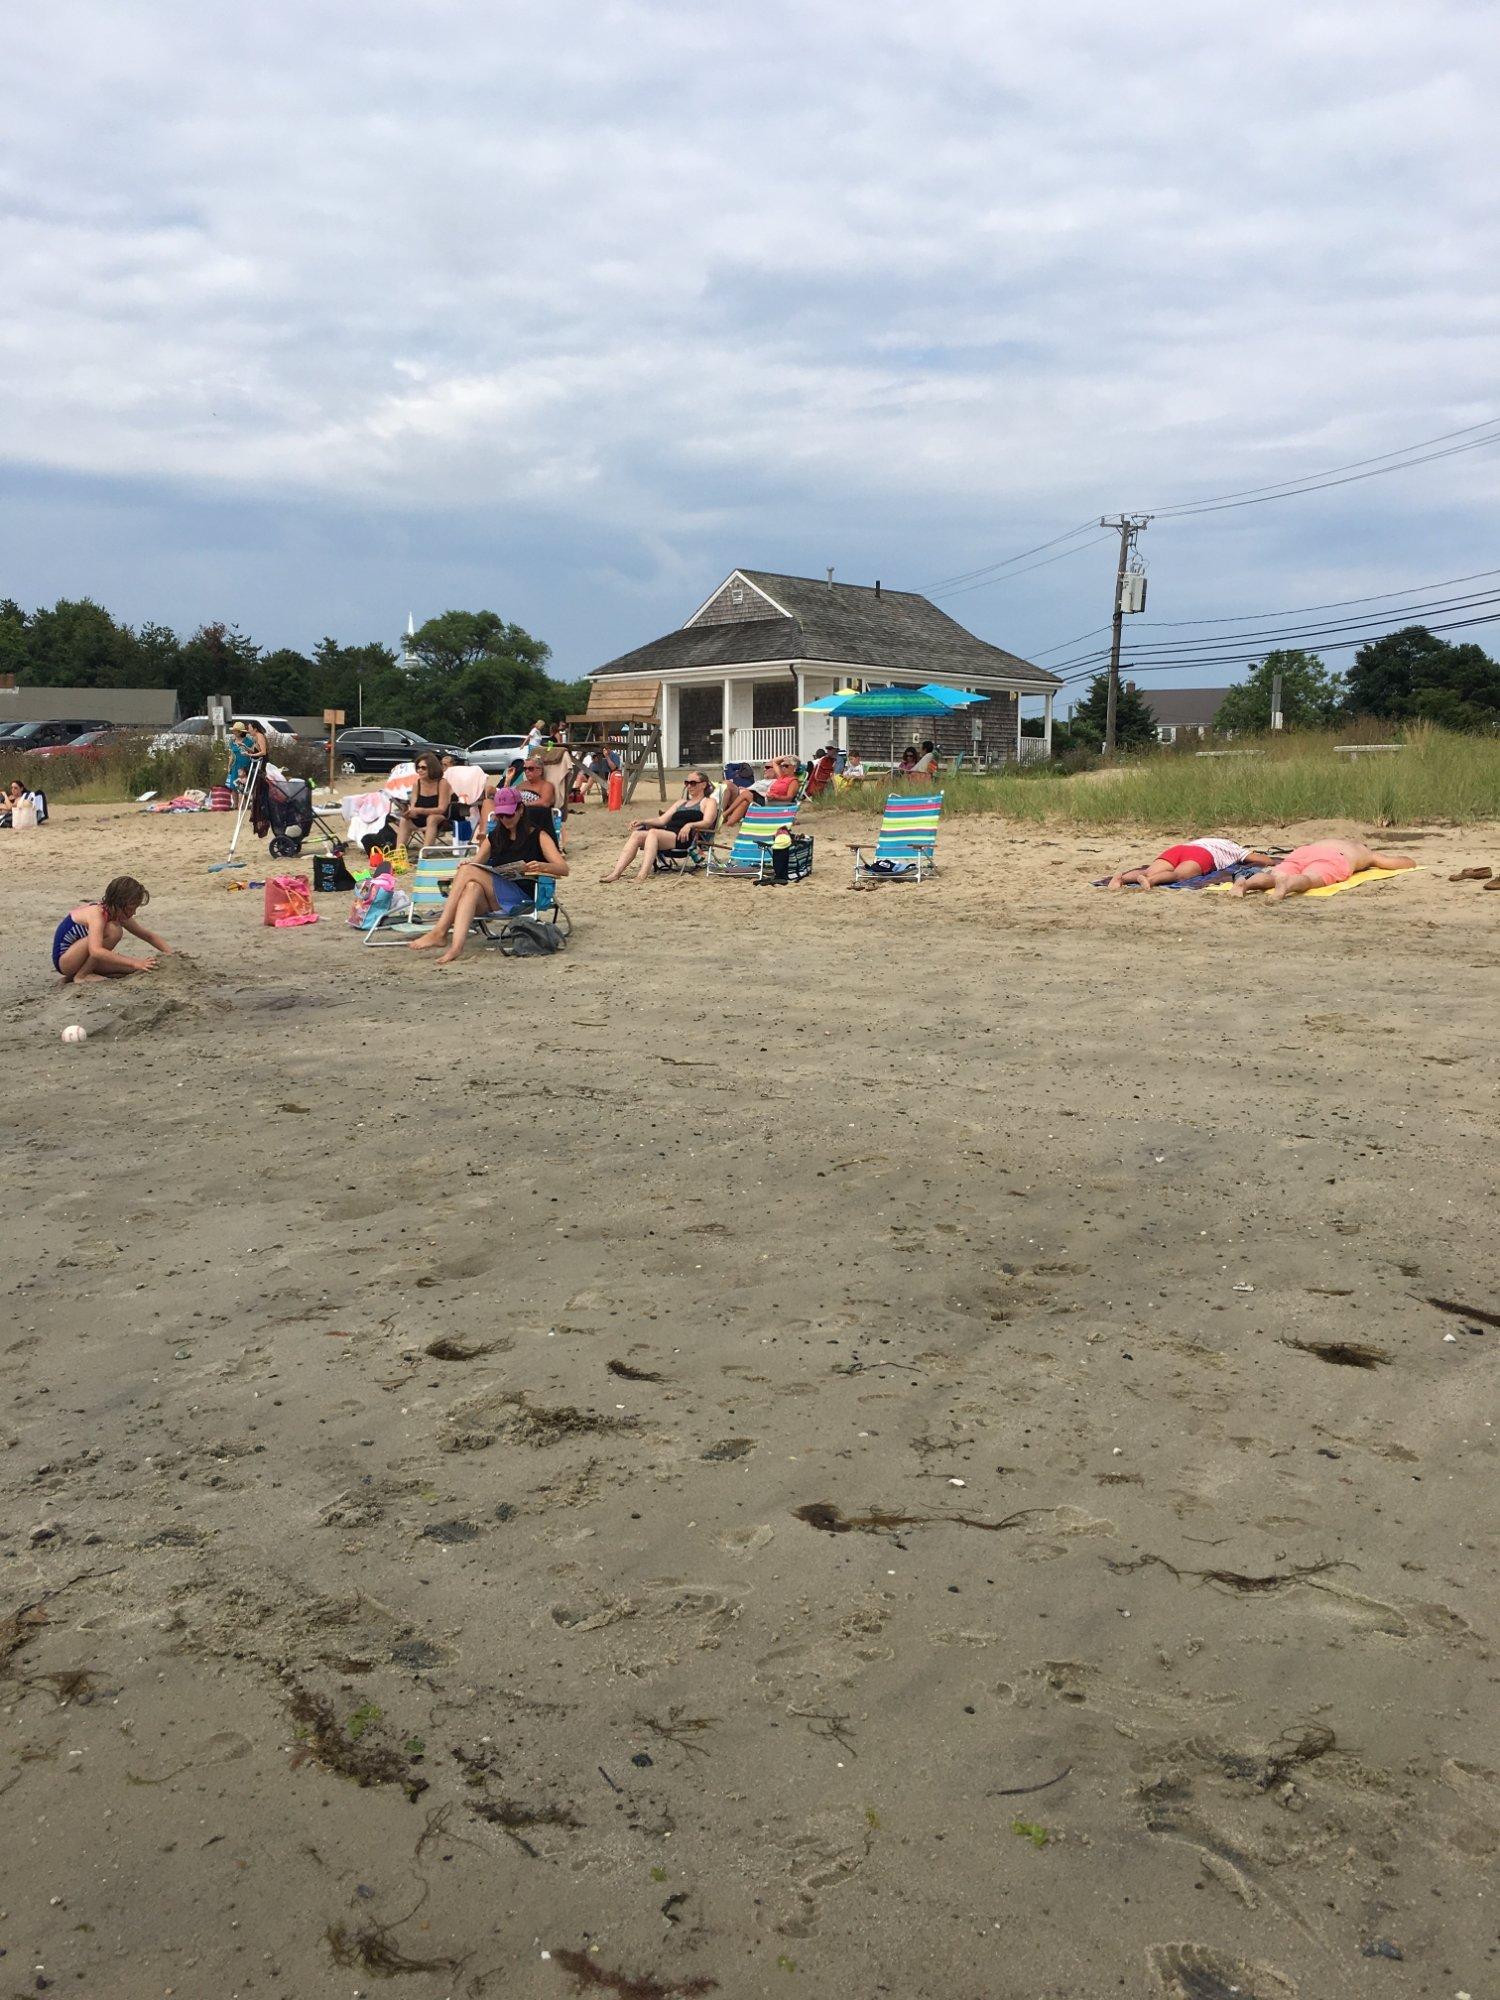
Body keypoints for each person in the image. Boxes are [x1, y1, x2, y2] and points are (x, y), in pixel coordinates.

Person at [409, 787, 567, 964]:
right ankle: (456, 948)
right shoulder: (495, 837)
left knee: (468, 871)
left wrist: (544, 866)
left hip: (523, 897)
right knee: (471, 885)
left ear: (521, 810)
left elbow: (563, 868)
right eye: (501, 816)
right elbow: (476, 863)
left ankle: (440, 931)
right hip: (497, 897)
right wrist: (468, 863)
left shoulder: (538, 835)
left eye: (509, 814)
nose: (505, 820)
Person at [600, 772, 719, 882]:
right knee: (637, 834)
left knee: (653, 833)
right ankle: (616, 873)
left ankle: (642, 875)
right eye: (686, 783)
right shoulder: (681, 803)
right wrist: (642, 821)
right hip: (667, 834)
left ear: (703, 784)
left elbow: (708, 822)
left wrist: (689, 825)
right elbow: (662, 820)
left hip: (685, 838)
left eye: (693, 783)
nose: (689, 786)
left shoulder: (708, 802)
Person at [52, 877, 172, 983]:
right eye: (131, 909)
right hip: (65, 960)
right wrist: (135, 961)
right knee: (114, 931)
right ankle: (82, 975)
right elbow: (96, 951)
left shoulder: (119, 914)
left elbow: (147, 936)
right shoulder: (97, 914)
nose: (133, 913)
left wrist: (171, 954)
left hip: (81, 957)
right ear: (118, 904)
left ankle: (72, 977)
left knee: (134, 970)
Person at [1230, 839, 1416, 903]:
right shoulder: (1365, 852)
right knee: (1309, 878)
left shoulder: (1327, 840)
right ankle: (1287, 885)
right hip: (1334, 857)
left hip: (1303, 851)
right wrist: (1411, 862)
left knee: (1272, 876)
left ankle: (1244, 884)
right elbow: (1398, 863)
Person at [1108, 837, 1251, 890]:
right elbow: (1262, 860)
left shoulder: (1204, 839)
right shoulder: (1234, 848)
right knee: (1178, 875)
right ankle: (1151, 881)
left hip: (1180, 848)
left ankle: (1122, 878)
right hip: (1202, 855)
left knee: (1149, 870)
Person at [398, 751, 448, 851]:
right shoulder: (417, 783)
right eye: (418, 767)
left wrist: (420, 810)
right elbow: (413, 806)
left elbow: (442, 809)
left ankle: (424, 854)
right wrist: (409, 813)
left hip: (440, 820)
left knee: (432, 818)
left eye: (423, 768)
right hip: (420, 819)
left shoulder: (442, 783)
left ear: (432, 768)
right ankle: (398, 853)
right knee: (405, 820)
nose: (419, 770)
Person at [225, 722, 255, 793]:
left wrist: (245, 746)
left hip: (244, 766)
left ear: (241, 732)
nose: (234, 732)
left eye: (236, 731)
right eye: (234, 731)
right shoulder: (232, 742)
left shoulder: (248, 741)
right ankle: (236, 804)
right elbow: (232, 754)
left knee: (243, 788)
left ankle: (243, 803)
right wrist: (229, 765)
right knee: (233, 787)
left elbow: (253, 752)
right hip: (235, 766)